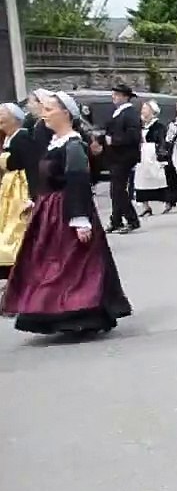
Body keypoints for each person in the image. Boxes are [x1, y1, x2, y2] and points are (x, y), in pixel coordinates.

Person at [1, 91, 131, 336]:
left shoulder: (73, 146)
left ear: (65, 113)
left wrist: (80, 219)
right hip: (50, 211)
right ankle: (55, 313)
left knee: (74, 266)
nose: (44, 114)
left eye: (49, 110)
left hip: (67, 211)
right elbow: (49, 177)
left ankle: (80, 313)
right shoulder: (55, 143)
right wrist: (38, 201)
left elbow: (78, 182)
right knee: (51, 264)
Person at [0, 103, 40, 287]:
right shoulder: (9, 139)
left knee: (16, 230)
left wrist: (32, 196)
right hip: (9, 188)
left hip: (19, 188)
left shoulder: (22, 138)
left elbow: (32, 167)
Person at [102, 84, 141, 234]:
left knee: (118, 190)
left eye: (117, 95)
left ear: (125, 97)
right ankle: (116, 220)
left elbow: (133, 136)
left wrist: (115, 140)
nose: (114, 97)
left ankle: (132, 219)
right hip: (115, 156)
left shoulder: (130, 113)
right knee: (115, 190)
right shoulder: (117, 112)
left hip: (124, 156)